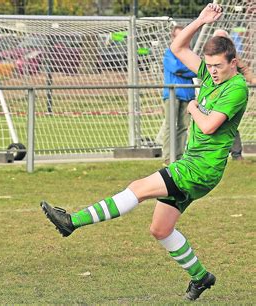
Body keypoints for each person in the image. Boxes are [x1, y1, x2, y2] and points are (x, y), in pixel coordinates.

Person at [41, 3, 248, 301]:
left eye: (218, 66)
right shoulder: (211, 73)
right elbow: (178, 46)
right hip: (194, 165)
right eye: (209, 66)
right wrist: (201, 20)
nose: (212, 72)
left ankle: (72, 222)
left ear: (233, 62)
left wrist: (191, 106)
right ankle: (201, 277)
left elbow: (209, 126)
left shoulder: (237, 88)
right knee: (160, 229)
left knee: (137, 188)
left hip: (201, 168)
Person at [213, 29, 256, 160]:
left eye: (223, 38)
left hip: (230, 93)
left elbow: (244, 69)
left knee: (229, 123)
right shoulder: (209, 55)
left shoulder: (233, 55)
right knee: (212, 125)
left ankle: (236, 154)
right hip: (214, 94)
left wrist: (253, 80)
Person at [160, 25, 197, 164]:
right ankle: (169, 157)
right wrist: (188, 68)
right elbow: (177, 68)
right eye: (179, 36)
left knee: (183, 126)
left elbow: (197, 70)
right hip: (172, 94)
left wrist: (187, 70)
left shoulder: (190, 53)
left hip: (188, 95)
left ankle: (180, 156)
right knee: (170, 125)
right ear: (173, 38)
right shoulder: (169, 53)